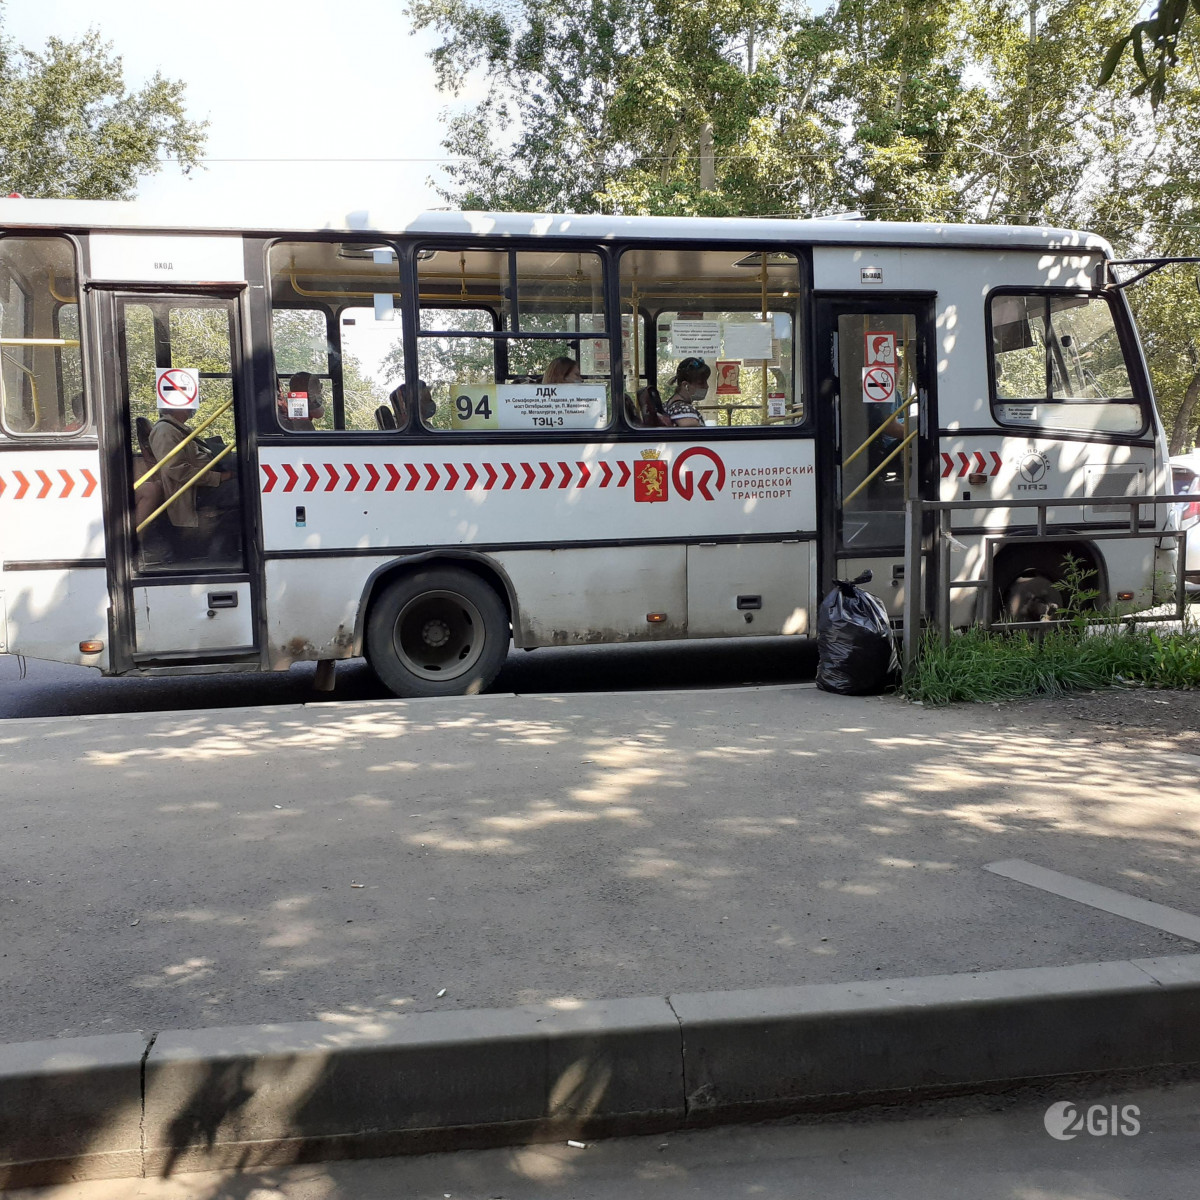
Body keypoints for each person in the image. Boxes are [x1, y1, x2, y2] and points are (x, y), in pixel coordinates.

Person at [147, 404, 238, 558]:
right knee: (243, 490)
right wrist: (219, 477)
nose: (191, 408)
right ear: (173, 407)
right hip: (190, 491)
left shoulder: (178, 428)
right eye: (186, 404)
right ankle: (220, 550)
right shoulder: (164, 431)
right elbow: (177, 469)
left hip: (200, 484)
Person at [662, 358, 709, 427]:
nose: (706, 386)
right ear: (685, 385)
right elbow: (694, 435)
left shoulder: (669, 404)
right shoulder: (683, 410)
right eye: (701, 383)